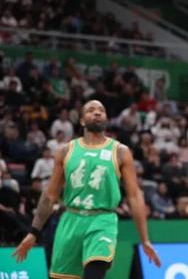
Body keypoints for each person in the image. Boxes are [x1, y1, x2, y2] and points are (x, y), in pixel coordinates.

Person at [12, 100, 161, 278]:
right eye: (91, 110)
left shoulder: (120, 151)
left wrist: (145, 239)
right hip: (71, 219)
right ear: (82, 120)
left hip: (102, 220)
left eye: (101, 110)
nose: (97, 112)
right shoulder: (65, 151)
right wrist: (33, 232)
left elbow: (135, 196)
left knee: (94, 272)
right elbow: (49, 196)